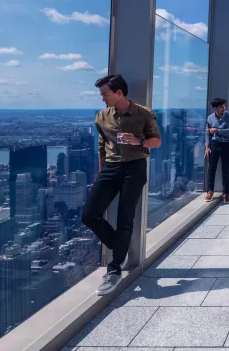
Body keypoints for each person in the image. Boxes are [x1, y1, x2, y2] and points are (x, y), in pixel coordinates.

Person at [83, 74, 162, 296]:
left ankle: (114, 269)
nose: (102, 99)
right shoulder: (101, 116)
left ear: (119, 93)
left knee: (125, 218)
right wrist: (102, 173)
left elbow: (157, 141)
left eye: (105, 94)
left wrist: (139, 141)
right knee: (89, 215)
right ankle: (120, 248)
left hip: (134, 168)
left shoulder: (143, 113)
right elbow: (102, 146)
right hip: (110, 169)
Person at [205, 98, 229, 203]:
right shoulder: (210, 118)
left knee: (225, 170)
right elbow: (207, 133)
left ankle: (226, 193)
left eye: (224, 106)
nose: (224, 108)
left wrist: (217, 130)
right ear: (215, 108)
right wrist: (207, 146)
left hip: (226, 145)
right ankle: (210, 192)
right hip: (215, 145)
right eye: (221, 107)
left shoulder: (228, 116)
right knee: (211, 169)